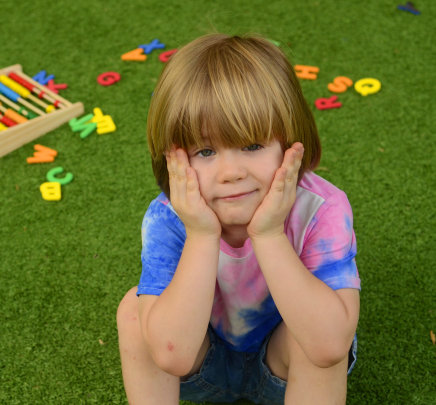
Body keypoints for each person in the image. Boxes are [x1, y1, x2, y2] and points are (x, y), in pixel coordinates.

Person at [116, 33, 361, 405]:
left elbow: (328, 346)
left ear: (292, 143)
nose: (231, 172)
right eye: (206, 150)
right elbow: (173, 354)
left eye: (252, 145)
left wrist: (268, 235)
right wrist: (200, 234)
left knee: (318, 323)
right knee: (135, 312)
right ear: (173, 160)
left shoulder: (321, 209)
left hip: (287, 370)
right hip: (202, 369)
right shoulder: (169, 218)